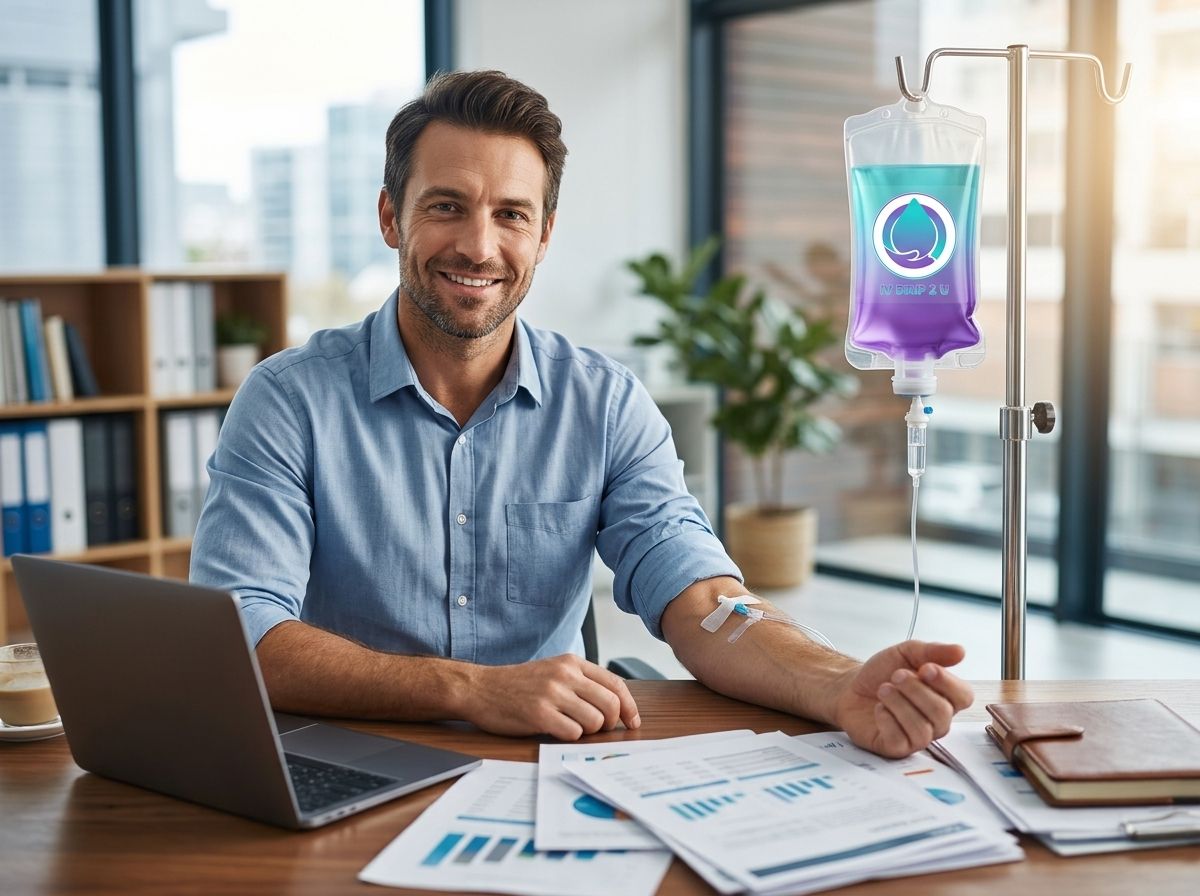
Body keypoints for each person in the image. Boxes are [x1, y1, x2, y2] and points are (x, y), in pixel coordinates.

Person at [191, 70, 972, 758]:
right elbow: (242, 636)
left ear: (544, 235)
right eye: (446, 206)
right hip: (346, 759)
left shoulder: (605, 403)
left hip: (548, 768)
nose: (478, 244)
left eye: (511, 215)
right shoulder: (287, 401)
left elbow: (701, 598)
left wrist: (838, 684)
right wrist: (469, 689)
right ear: (392, 219)